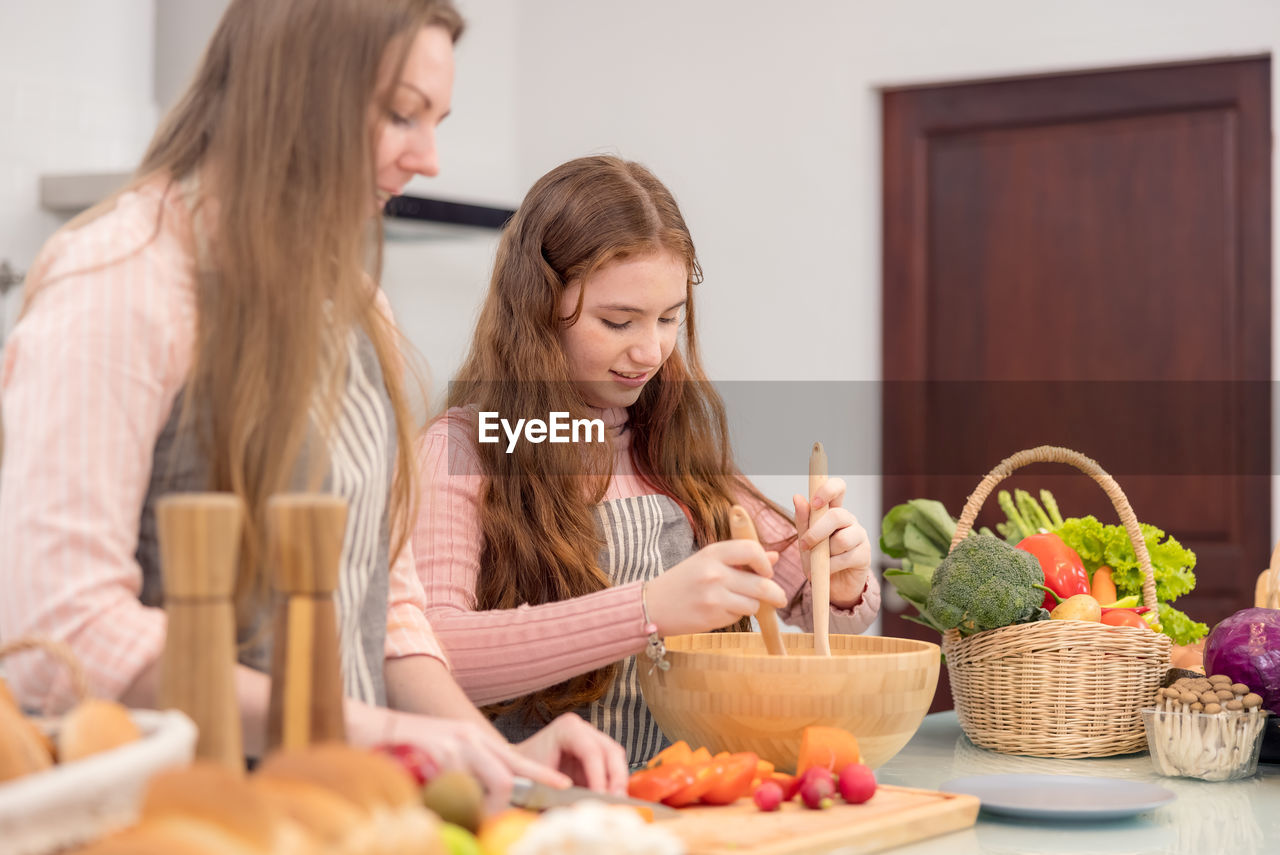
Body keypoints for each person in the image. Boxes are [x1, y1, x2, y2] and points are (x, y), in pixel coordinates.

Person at [0, 0, 627, 805]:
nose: (429, 158)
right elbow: (67, 633)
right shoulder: (122, 279)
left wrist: (484, 749)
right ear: (294, 90)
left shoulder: (356, 304)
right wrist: (382, 734)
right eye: (402, 115)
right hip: (177, 819)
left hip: (335, 811)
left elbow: (384, 596)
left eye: (435, 119)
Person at [413, 155, 881, 765]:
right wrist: (646, 609)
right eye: (617, 321)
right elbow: (432, 656)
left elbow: (814, 614)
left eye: (670, 319)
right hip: (538, 818)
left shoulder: (669, 439)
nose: (650, 350)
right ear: (537, 307)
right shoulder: (464, 449)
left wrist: (839, 586)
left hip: (676, 809)